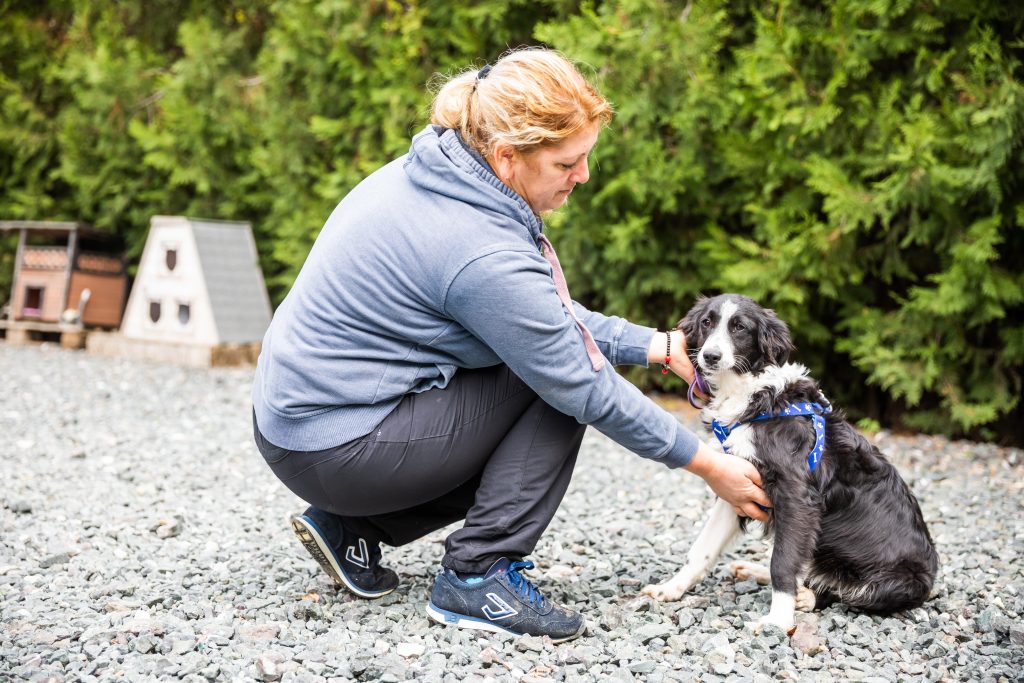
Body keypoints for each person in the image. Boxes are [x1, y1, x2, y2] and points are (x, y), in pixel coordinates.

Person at [251, 47, 771, 642]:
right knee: (559, 386)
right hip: (336, 445)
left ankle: (355, 530)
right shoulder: (477, 244)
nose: (584, 176)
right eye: (567, 163)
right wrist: (711, 465)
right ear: (507, 158)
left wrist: (655, 346)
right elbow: (574, 373)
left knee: (548, 366)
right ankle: (478, 576)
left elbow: (530, 314)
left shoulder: (439, 168)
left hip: (298, 427)